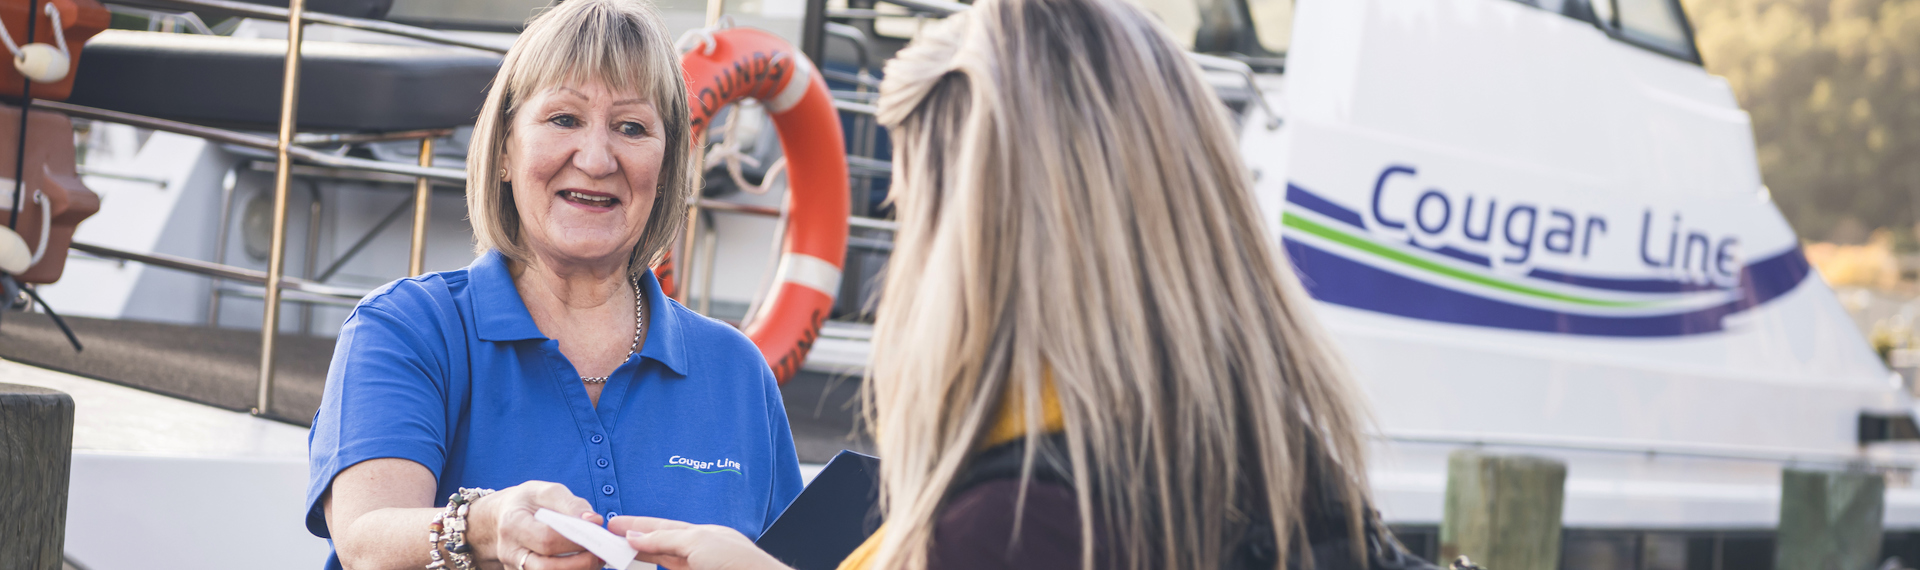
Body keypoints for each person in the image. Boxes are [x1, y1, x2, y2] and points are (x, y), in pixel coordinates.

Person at [607, 0, 1437, 568]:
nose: (904, 267)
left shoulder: (1014, 527)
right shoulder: (1271, 463)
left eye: (914, 212)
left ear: (990, 237)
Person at [303, 1, 804, 568]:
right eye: (563, 119)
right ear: (502, 153)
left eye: (631, 127)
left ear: (666, 172)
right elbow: (366, 539)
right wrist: (485, 526)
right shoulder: (409, 328)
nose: (595, 159)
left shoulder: (736, 371)